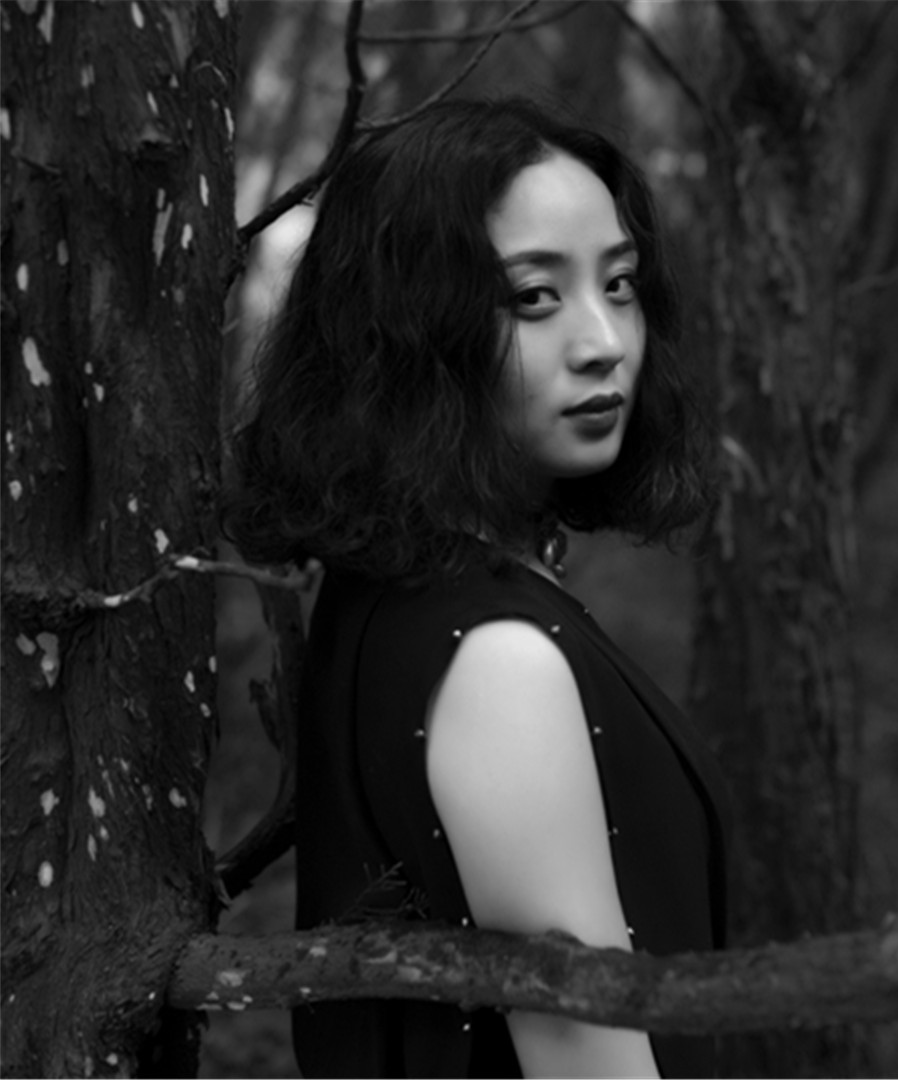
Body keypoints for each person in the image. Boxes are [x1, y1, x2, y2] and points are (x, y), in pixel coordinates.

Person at [227, 96, 729, 1079]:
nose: (604, 340)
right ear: (410, 332)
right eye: (534, 297)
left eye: (619, 284)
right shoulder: (500, 663)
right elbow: (586, 1057)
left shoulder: (391, 595)